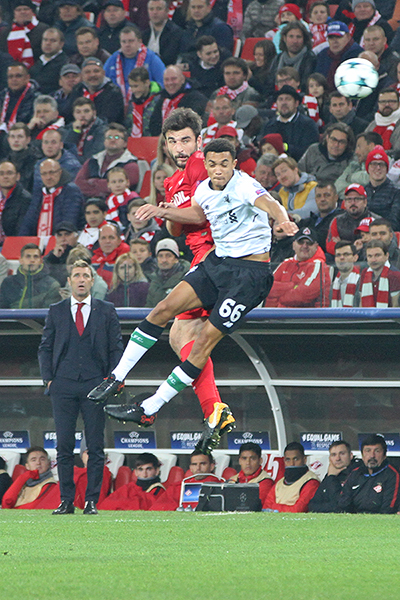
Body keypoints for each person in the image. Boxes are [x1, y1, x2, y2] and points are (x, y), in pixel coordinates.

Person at [88, 137, 297, 453]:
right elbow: (198, 215)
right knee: (163, 309)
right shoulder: (202, 189)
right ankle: (116, 378)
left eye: (224, 164)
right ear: (207, 164)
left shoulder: (244, 185)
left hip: (248, 276)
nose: (218, 170)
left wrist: (283, 220)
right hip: (217, 263)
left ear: (234, 164)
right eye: (212, 164)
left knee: (201, 343)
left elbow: (271, 204)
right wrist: (163, 211)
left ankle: (150, 407)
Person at [38, 259, 123, 515]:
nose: (81, 280)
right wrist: (49, 380)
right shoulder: (56, 310)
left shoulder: (106, 310)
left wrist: (114, 379)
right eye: (77, 275)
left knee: (95, 445)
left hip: (95, 384)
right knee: (63, 446)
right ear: (69, 280)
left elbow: (116, 347)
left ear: (92, 280)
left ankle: (91, 501)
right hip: (63, 385)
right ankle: (66, 500)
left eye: (86, 275)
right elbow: (45, 347)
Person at [265, 226, 331, 307]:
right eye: (301, 242)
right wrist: (291, 285)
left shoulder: (319, 265)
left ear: (316, 246)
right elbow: (267, 288)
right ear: (294, 245)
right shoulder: (286, 263)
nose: (305, 246)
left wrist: (280, 298)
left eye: (309, 243)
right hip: (277, 313)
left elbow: (302, 296)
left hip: (307, 314)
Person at [104, 25, 165, 108]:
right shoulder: (113, 59)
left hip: (147, 105)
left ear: (140, 42)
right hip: (116, 106)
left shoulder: (151, 58)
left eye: (131, 41)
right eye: (124, 42)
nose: (127, 45)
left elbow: (163, 83)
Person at [20, 157, 84, 235]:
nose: (48, 177)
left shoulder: (71, 190)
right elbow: (29, 220)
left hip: (61, 238)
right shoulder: (39, 192)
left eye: (52, 172)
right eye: (44, 174)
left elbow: (69, 222)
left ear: (60, 172)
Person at [337, 434, 400, 513]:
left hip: (379, 519)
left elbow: (389, 509)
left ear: (384, 455)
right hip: (354, 518)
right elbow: (343, 503)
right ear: (362, 455)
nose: (372, 456)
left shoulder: (393, 474)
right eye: (368, 451)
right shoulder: (355, 473)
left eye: (377, 451)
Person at [75, 122, 139, 199]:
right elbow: (78, 183)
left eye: (117, 137)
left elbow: (121, 187)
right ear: (104, 141)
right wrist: (101, 190)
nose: (112, 140)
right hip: (89, 201)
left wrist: (93, 182)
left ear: (125, 143)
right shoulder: (93, 160)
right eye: (109, 137)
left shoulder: (131, 164)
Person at [262, 85, 319, 162]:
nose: (283, 103)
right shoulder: (269, 125)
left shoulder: (308, 124)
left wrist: (286, 147)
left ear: (296, 103)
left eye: (288, 99)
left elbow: (310, 152)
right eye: (280, 99)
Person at [150, 449, 221, 511]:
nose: (198, 468)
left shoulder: (221, 487)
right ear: (190, 467)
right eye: (194, 464)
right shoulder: (178, 487)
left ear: (211, 466)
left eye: (202, 464)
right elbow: (157, 508)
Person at [148, 65, 208, 136]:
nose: (170, 83)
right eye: (166, 80)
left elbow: (192, 123)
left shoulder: (196, 98)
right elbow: (153, 125)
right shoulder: (162, 99)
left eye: (174, 79)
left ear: (182, 79)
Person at [63, 57, 125, 125]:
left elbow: (108, 120)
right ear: (82, 75)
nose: (92, 75)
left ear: (103, 73)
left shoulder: (113, 92)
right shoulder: (77, 89)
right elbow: (68, 115)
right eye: (87, 72)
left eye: (96, 71)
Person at [263, 442, 320, 512]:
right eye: (288, 460)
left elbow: (298, 510)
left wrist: (274, 507)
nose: (292, 463)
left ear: (304, 459)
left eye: (296, 459)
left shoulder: (311, 482)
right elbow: (266, 507)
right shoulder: (279, 483)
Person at [0, 243, 60, 308]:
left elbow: (48, 312)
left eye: (35, 257)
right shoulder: (8, 282)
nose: (32, 260)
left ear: (40, 261)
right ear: (21, 260)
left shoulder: (52, 285)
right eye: (28, 256)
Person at [98, 452, 165, 510]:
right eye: (140, 469)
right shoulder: (128, 488)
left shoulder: (159, 491)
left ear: (157, 471)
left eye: (149, 469)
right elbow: (105, 505)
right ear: (135, 472)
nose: (144, 474)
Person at [326, 184, 379, 255]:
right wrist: (353, 248)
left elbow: (382, 243)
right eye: (349, 199)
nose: (353, 203)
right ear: (344, 203)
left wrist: (342, 245)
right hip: (345, 259)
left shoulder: (377, 220)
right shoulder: (337, 221)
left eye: (357, 199)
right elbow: (330, 247)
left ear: (365, 202)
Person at [31, 128, 81, 198]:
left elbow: (72, 194)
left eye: (53, 142)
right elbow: (37, 193)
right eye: (46, 142)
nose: (49, 146)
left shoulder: (72, 166)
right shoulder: (39, 165)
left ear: (61, 145)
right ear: (42, 145)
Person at [309, 441, 356, 512]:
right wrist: (331, 476)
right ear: (330, 458)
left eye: (342, 454)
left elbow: (343, 505)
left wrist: (332, 477)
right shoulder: (330, 474)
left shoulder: (358, 474)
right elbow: (312, 505)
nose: (338, 458)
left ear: (351, 456)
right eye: (334, 455)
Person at [269, 22, 317, 91]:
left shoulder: (311, 59)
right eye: (291, 36)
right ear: (284, 38)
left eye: (298, 37)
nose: (295, 41)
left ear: (304, 39)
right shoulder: (277, 58)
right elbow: (270, 83)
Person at [316, 21, 362, 91]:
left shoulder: (357, 54)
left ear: (348, 37)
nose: (335, 41)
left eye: (338, 37)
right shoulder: (323, 55)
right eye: (331, 37)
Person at [335, 131, 383, 198]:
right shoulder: (354, 166)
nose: (356, 152)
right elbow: (337, 187)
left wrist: (351, 178)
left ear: (371, 146)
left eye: (359, 146)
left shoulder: (385, 163)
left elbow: (373, 178)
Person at [145, 238, 190, 307]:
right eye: (160, 256)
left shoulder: (186, 278)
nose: (164, 260)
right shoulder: (152, 279)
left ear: (176, 259)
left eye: (168, 256)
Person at [299, 181, 342, 253]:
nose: (322, 199)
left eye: (327, 195)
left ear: (336, 197)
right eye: (319, 196)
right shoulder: (307, 221)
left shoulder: (341, 219)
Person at [364, 145, 400, 229]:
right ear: (368, 168)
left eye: (382, 164)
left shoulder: (396, 192)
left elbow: (394, 223)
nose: (378, 168)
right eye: (374, 164)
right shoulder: (362, 191)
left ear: (387, 168)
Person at [64, 97, 106, 164]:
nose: (82, 115)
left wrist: (72, 161)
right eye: (78, 112)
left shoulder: (102, 130)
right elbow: (65, 151)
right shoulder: (68, 128)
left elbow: (94, 156)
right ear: (73, 114)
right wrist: (75, 132)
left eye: (86, 111)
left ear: (94, 113)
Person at [6, 0, 48, 66]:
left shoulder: (43, 29)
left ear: (32, 12)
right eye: (18, 10)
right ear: (14, 14)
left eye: (26, 9)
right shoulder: (6, 32)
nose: (22, 12)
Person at [142, 0, 183, 67]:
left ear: (167, 11)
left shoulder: (177, 33)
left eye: (159, 9)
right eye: (151, 9)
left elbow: (170, 58)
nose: (155, 12)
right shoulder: (144, 33)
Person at [359, 239, 400, 306]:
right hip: (368, 313)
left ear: (386, 256)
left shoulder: (395, 275)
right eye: (370, 256)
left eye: (377, 255)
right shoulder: (364, 273)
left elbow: (395, 306)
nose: (373, 260)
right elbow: (361, 303)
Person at [2, 122, 40, 192]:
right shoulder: (4, 163)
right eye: (12, 137)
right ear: (8, 140)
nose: (16, 140)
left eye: (20, 137)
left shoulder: (37, 161)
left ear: (28, 139)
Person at [29, 28, 68, 95]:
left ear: (61, 44)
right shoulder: (35, 63)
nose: (48, 43)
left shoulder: (65, 63)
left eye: (52, 41)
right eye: (45, 40)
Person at [0, 63, 38, 131]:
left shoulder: (35, 98)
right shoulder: (2, 96)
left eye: (18, 76)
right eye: (10, 76)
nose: (14, 79)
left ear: (27, 78)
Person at [92, 222, 130, 288]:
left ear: (119, 240)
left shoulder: (127, 257)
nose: (107, 241)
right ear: (99, 241)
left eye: (111, 237)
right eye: (103, 238)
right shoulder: (94, 259)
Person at [0, 159, 31, 240]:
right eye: (1, 174)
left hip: (12, 242)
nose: (5, 177)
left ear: (18, 176)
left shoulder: (25, 199)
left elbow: (22, 231)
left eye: (9, 173)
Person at [126, 67, 161, 138]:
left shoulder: (159, 101)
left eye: (136, 86)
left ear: (147, 83)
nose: (133, 90)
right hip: (135, 141)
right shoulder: (131, 103)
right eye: (131, 86)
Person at [43, 221, 79, 286]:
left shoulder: (82, 253)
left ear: (76, 237)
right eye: (59, 235)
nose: (63, 239)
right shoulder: (53, 254)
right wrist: (53, 258)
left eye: (67, 234)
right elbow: (41, 272)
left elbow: (67, 277)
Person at [365, 88, 400, 152]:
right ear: (378, 104)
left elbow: (397, 152)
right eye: (383, 102)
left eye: (391, 101)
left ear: (398, 103)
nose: (387, 104)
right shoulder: (373, 125)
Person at [330, 241, 361, 306]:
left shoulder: (361, 283)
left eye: (346, 254)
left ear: (355, 257)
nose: (342, 258)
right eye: (338, 255)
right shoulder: (333, 285)